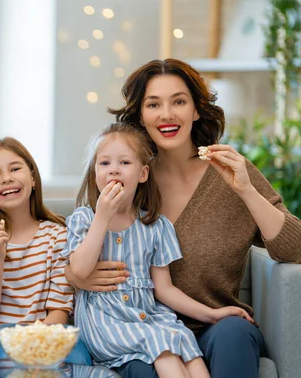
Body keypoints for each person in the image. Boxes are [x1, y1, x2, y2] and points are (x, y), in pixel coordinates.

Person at [66, 58, 301, 378]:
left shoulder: (230, 172)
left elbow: (295, 248)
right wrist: (75, 275)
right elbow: (82, 239)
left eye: (179, 101)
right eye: (153, 104)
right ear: (139, 115)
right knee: (141, 369)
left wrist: (246, 191)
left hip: (215, 327)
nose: (167, 114)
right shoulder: (123, 176)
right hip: (139, 329)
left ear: (196, 110)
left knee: (233, 333)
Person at [63, 123, 256, 378]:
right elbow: (79, 269)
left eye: (124, 163)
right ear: (95, 172)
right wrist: (102, 218)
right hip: (106, 323)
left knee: (185, 345)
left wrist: (212, 314)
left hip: (149, 317)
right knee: (164, 351)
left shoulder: (156, 226)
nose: (113, 171)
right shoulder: (84, 219)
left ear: (143, 174)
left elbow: (164, 289)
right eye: (104, 163)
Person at [0, 137, 92, 366]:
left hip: (50, 333)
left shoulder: (58, 236)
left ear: (33, 178)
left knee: (75, 359)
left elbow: (59, 312)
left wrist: (35, 341)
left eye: (15, 168)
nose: (7, 178)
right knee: (15, 361)